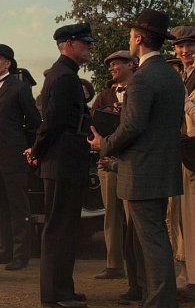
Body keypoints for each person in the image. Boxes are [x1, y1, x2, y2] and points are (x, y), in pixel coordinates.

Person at [89, 9, 184, 308]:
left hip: (141, 171)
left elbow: (133, 127)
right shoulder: (171, 76)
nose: (129, 40)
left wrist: (104, 144)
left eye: (131, 36)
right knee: (157, 238)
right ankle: (161, 297)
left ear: (139, 39)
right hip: (162, 168)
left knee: (151, 241)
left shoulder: (142, 79)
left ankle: (160, 300)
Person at [30, 23, 95, 308]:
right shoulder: (65, 77)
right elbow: (53, 122)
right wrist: (37, 151)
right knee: (59, 230)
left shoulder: (65, 74)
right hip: (62, 161)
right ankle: (54, 294)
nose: (89, 47)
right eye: (85, 43)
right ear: (69, 44)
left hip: (64, 160)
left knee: (66, 229)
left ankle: (63, 289)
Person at [0, 44, 41, 271]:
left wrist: (30, 148)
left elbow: (34, 121)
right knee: (0, 205)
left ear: (8, 63)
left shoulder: (20, 88)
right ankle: (4, 249)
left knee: (18, 205)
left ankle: (21, 253)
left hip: (14, 155)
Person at [90, 50, 134, 281]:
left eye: (117, 63)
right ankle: (114, 264)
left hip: (131, 162)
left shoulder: (139, 90)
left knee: (133, 216)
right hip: (107, 161)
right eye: (110, 65)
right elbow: (92, 125)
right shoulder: (104, 96)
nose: (112, 68)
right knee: (111, 214)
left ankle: (137, 268)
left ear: (131, 65)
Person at [172, 25, 195, 291]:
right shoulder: (184, 76)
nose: (185, 50)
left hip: (192, 152)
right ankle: (188, 275)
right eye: (180, 46)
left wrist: (185, 99)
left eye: (190, 45)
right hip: (185, 152)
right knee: (183, 219)